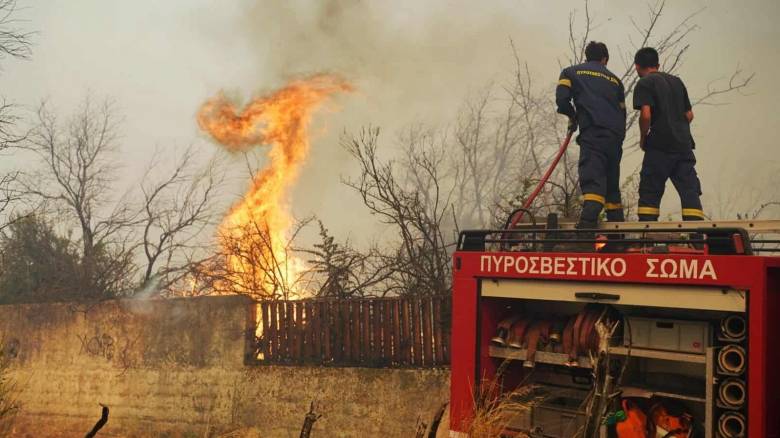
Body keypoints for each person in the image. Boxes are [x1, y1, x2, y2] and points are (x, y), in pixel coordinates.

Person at [556, 41, 627, 231]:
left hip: (593, 136)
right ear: (605, 59)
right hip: (615, 139)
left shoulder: (570, 72)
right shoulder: (616, 81)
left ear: (587, 56)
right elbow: (622, 113)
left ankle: (584, 233)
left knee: (593, 184)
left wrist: (573, 116)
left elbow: (562, 100)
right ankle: (617, 239)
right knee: (612, 189)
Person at [632, 47, 704, 221]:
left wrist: (643, 137)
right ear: (658, 64)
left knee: (650, 190)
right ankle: (696, 237)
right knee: (689, 190)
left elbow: (646, 115)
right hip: (684, 146)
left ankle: (646, 236)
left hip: (659, 146)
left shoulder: (645, 83)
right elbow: (689, 115)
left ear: (637, 66)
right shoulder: (677, 82)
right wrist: (678, 128)